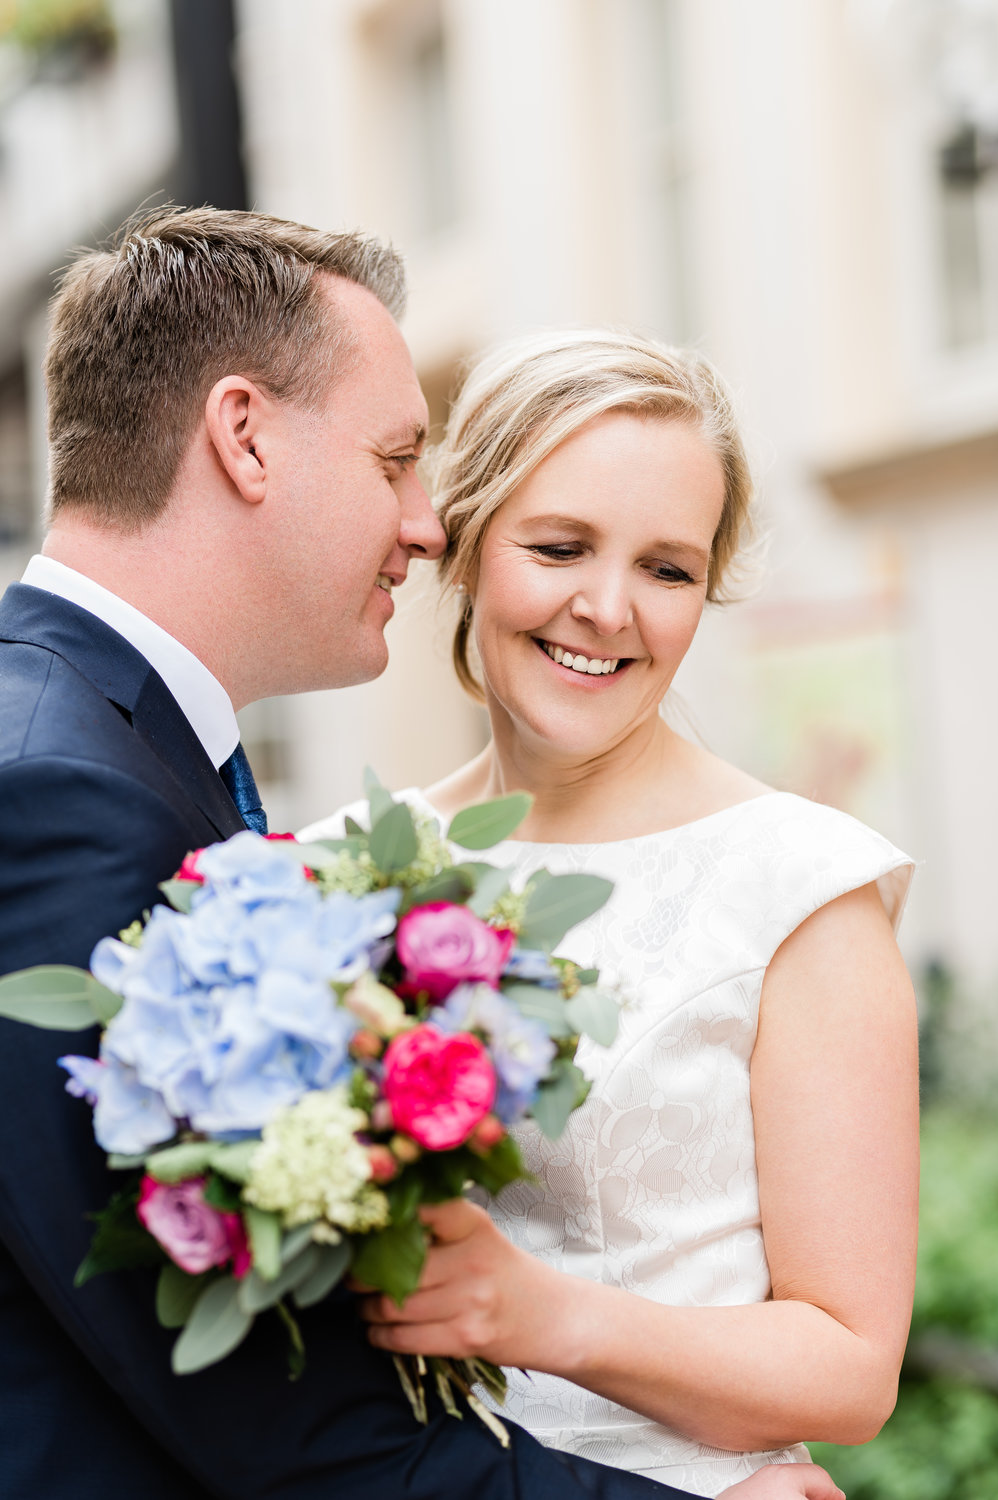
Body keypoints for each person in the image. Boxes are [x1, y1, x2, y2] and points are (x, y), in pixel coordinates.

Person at [0, 210, 842, 1500]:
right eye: (397, 458)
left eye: (668, 565)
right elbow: (270, 1422)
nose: (424, 522)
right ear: (242, 436)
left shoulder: (107, 753)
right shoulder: (67, 790)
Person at [307, 328, 919, 1496]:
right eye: (558, 546)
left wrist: (543, 1316)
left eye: (668, 568)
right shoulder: (338, 869)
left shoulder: (798, 886)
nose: (607, 608)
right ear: (466, 540)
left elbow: (849, 1366)